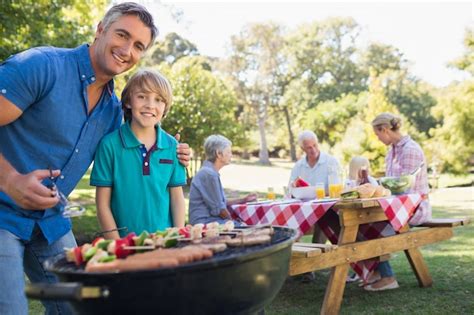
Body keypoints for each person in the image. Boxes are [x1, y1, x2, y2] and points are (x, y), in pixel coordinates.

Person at [0, 3, 190, 314]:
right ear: (100, 29)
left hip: (50, 222)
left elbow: (142, 132)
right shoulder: (42, 66)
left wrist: (175, 149)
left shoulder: (112, 112)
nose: (127, 49)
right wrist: (9, 180)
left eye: (139, 45)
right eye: (122, 34)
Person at [91, 69, 186, 239]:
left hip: (164, 243)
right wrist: (116, 245)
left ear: (165, 107)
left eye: (158, 100)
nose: (150, 105)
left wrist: (178, 238)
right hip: (125, 244)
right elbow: (102, 204)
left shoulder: (173, 147)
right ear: (128, 101)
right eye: (142, 96)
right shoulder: (109, 145)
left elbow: (177, 199)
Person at [364, 112, 431, 291]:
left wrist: (380, 188)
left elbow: (406, 188)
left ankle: (388, 278)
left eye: (378, 134)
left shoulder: (411, 150)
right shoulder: (391, 152)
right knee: (363, 223)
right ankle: (376, 271)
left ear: (385, 129)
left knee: (373, 228)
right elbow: (392, 185)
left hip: (415, 208)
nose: (378, 138)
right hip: (397, 206)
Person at [189, 135, 257, 225]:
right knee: (249, 226)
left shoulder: (208, 172)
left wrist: (243, 199)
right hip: (205, 223)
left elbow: (220, 202)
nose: (231, 155)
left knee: (246, 224)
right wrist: (232, 222)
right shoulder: (209, 174)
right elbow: (220, 209)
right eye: (228, 152)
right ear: (219, 154)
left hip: (209, 221)